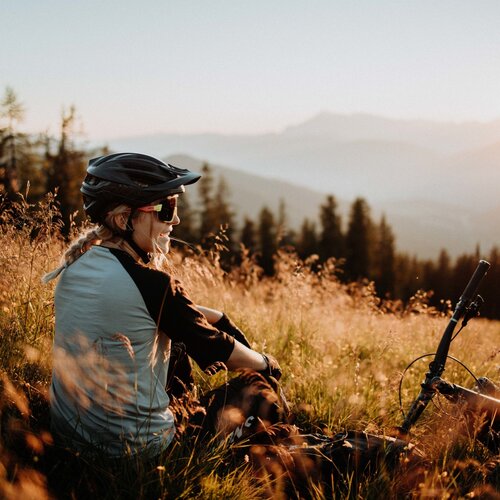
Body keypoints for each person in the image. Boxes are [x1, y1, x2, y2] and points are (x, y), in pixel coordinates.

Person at [44, 152, 281, 460]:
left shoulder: (75, 268)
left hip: (70, 437)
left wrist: (218, 315)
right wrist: (266, 362)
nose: (176, 220)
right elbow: (222, 353)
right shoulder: (155, 285)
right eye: (166, 209)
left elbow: (153, 312)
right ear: (122, 218)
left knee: (176, 344)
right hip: (138, 450)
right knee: (259, 391)